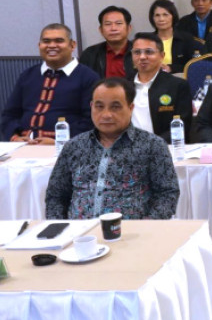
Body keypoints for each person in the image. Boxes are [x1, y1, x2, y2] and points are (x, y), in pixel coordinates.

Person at [45, 78, 179, 220]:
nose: (106, 114)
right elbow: (55, 196)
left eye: (115, 107)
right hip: (79, 231)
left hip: (132, 231)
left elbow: (167, 194)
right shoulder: (74, 146)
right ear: (91, 106)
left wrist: (146, 225)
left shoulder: (152, 145)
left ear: (130, 108)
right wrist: (60, 227)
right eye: (99, 106)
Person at [2, 24, 100, 143]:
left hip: (68, 146)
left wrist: (60, 141)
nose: (52, 45)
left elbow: (92, 120)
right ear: (39, 45)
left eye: (59, 41)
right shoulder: (28, 75)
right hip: (22, 145)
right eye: (46, 41)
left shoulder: (88, 77)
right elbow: (9, 114)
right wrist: (15, 137)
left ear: (72, 45)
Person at [130, 32, 193, 143]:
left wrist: (153, 144)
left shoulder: (177, 86)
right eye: (137, 52)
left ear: (162, 56)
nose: (142, 57)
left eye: (149, 52)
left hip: (164, 146)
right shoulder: (122, 86)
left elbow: (182, 125)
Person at [148, 0, 203, 74]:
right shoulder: (147, 40)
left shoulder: (186, 39)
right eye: (157, 15)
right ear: (152, 18)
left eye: (165, 15)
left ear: (173, 16)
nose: (161, 19)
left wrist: (171, 68)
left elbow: (194, 65)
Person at [78, 5, 135, 79]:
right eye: (108, 24)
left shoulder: (140, 53)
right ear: (101, 30)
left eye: (118, 23)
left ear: (129, 28)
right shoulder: (89, 54)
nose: (113, 28)